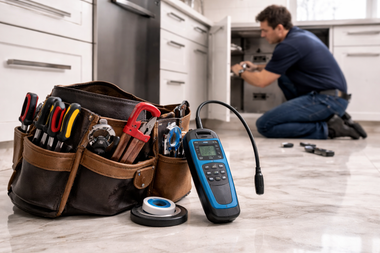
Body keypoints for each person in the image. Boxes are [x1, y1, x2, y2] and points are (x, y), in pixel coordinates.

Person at [231, 5, 366, 139]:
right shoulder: (300, 35)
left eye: (265, 30)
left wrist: (240, 71)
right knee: (283, 77)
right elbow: (279, 66)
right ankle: (339, 118)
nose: (262, 35)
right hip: (336, 98)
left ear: (279, 28)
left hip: (327, 100)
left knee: (265, 125)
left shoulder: (288, 45)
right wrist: (256, 67)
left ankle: (331, 128)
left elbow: (261, 81)